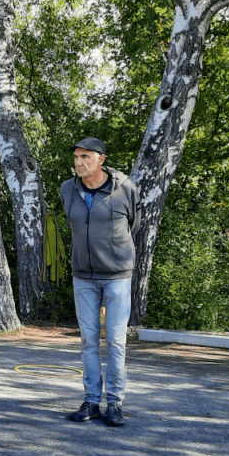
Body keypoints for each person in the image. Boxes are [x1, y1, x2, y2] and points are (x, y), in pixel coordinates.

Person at [60, 137, 140, 427]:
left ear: (101, 160)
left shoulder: (125, 188)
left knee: (116, 341)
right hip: (83, 276)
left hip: (117, 275)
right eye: (76, 157)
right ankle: (92, 401)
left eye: (85, 157)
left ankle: (115, 402)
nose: (79, 162)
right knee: (88, 341)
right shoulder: (67, 189)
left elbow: (134, 224)